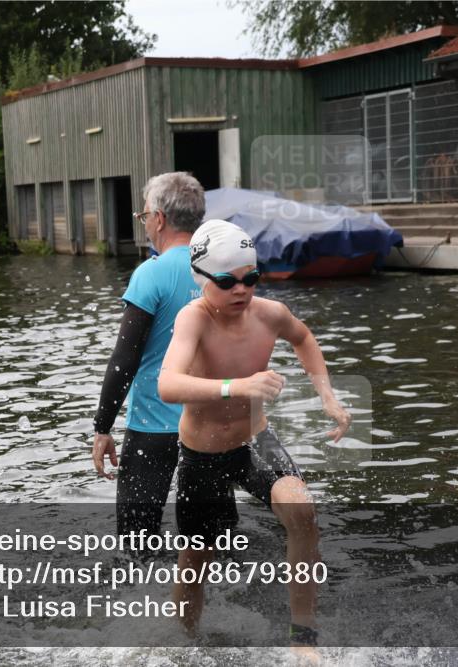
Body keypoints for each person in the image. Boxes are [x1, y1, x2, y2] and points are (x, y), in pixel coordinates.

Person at [158, 219, 351, 653]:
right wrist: (235, 386)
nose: (241, 290)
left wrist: (328, 396)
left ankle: (303, 637)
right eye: (226, 281)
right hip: (202, 454)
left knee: (302, 509)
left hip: (254, 442)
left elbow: (303, 338)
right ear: (202, 278)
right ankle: (184, 645)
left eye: (251, 278)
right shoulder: (193, 320)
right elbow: (166, 384)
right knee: (194, 565)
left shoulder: (270, 315)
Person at [92, 172, 205, 537]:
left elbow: (124, 360)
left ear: (159, 219)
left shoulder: (150, 274)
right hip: (208, 427)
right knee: (213, 540)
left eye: (143, 218)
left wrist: (102, 427)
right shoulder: (220, 271)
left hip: (152, 428)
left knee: (135, 543)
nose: (144, 225)